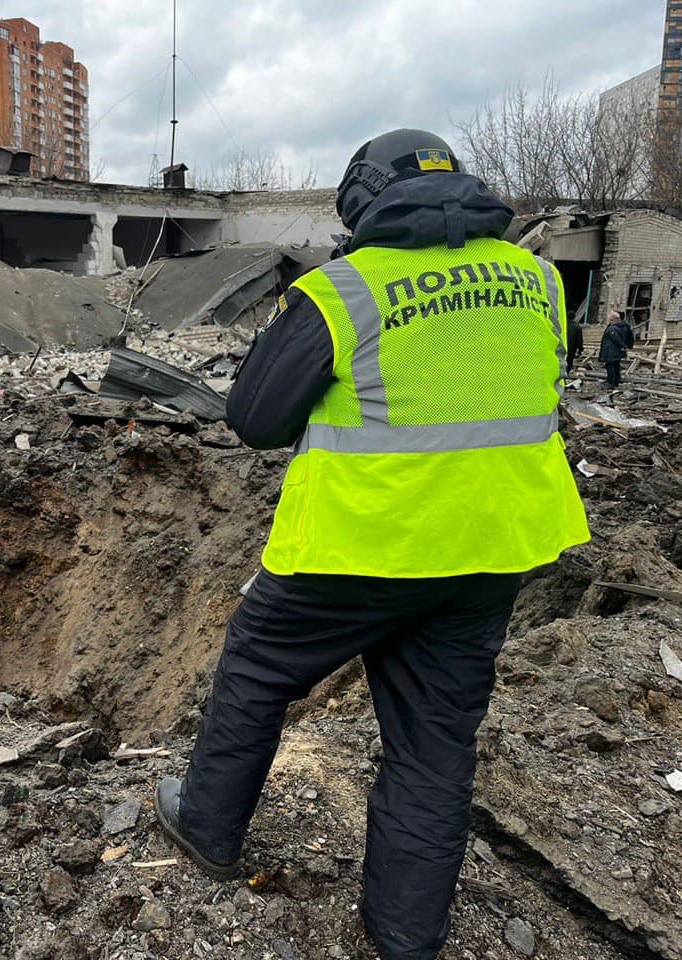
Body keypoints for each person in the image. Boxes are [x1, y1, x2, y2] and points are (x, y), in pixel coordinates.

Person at [153, 129, 590, 960]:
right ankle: (404, 936)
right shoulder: (537, 278)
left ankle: (207, 829)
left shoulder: (342, 291)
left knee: (256, 667)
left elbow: (253, 422)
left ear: (361, 200)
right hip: (491, 549)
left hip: (360, 547)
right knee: (433, 745)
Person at [599, 311, 634, 388]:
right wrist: (626, 346)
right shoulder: (624, 327)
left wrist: (623, 346)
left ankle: (611, 383)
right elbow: (630, 337)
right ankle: (615, 381)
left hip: (611, 351)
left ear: (614, 320)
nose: (609, 321)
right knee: (616, 366)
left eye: (610, 320)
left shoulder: (613, 328)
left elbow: (616, 339)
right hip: (617, 351)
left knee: (610, 366)